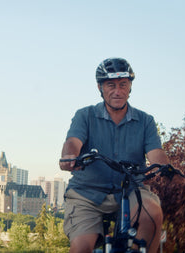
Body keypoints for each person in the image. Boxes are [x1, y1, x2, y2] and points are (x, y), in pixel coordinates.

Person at [59, 58, 168, 253]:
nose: (117, 91)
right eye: (111, 85)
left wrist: (164, 167)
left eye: (123, 85)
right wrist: (70, 156)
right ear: (100, 87)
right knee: (81, 248)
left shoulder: (145, 121)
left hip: (131, 190)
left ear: (130, 87)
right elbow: (73, 142)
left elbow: (156, 153)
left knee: (152, 212)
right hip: (87, 194)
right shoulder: (85, 116)